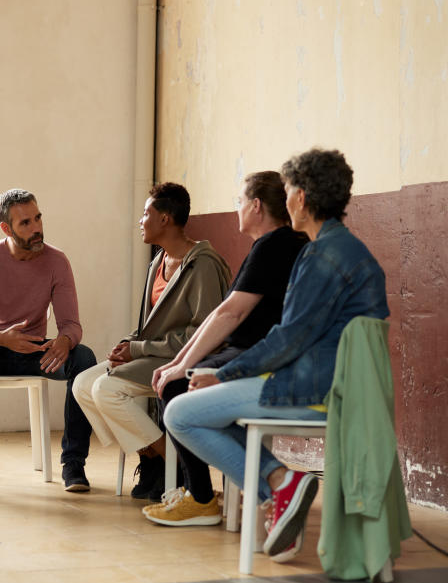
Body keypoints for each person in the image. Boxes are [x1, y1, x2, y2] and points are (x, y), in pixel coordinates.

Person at [163, 149, 389, 562]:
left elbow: (288, 339)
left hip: (316, 389)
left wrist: (226, 374)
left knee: (180, 413)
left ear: (300, 198)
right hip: (338, 384)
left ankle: (280, 484)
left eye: (286, 192)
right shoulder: (346, 249)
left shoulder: (321, 256)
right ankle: (282, 483)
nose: (283, 202)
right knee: (201, 408)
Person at [143, 171, 308, 525]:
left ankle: (203, 498)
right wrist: (180, 360)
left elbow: (230, 312)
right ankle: (269, 484)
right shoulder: (286, 242)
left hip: (260, 357)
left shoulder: (274, 245)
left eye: (239, 201)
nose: (237, 209)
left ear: (256, 205)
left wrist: (179, 365)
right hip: (257, 352)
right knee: (179, 383)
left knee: (175, 388)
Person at [72, 183, 230, 500]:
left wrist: (138, 349)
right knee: (82, 385)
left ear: (165, 219)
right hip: (155, 356)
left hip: (185, 361)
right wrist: (127, 345)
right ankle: (153, 459)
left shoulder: (203, 266)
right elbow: (150, 328)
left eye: (147, 213)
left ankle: (177, 463)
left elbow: (203, 335)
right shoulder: (156, 263)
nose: (141, 220)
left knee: (107, 389)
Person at [0, 189, 97, 495]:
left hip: (36, 352)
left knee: (84, 358)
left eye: (38, 218)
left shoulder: (57, 261)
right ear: (6, 228)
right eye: (25, 223)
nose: (36, 228)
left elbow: (71, 324)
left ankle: (74, 464)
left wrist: (66, 340)